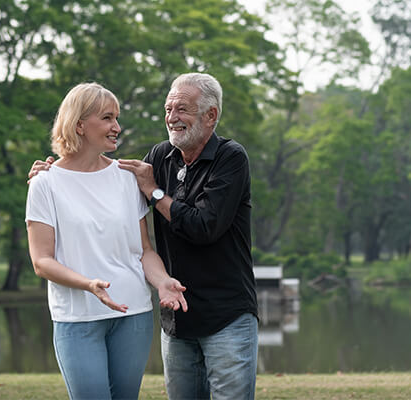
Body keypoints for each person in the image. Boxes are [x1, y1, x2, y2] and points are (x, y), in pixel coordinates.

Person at [29, 73, 258, 400]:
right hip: (177, 319)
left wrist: (153, 192)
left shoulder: (229, 158)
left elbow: (200, 227)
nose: (172, 117)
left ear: (211, 116)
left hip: (226, 315)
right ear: (78, 124)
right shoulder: (157, 159)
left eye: (183, 109)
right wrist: (47, 171)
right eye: (168, 109)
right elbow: (46, 253)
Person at [25, 82, 187, 400]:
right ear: (79, 124)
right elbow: (41, 261)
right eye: (108, 118)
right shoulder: (45, 184)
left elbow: (143, 251)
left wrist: (163, 281)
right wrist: (88, 284)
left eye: (117, 118)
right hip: (78, 316)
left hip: (133, 314)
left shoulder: (128, 178)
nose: (117, 127)